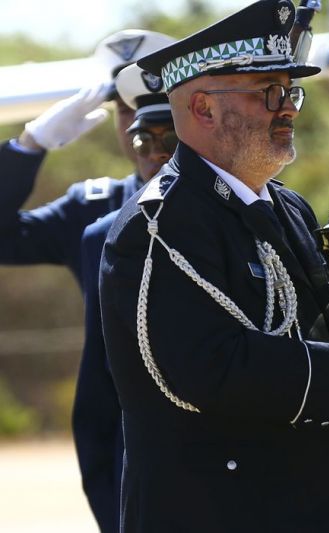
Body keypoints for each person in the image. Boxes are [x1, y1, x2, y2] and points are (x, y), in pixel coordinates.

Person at [99, 2, 329, 531]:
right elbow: (204, 369)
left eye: (291, 92)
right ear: (203, 109)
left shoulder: (288, 207)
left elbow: (324, 329)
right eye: (268, 93)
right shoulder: (157, 226)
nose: (288, 109)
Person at [0, 29, 174, 531]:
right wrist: (29, 147)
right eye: (125, 109)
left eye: (158, 110)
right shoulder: (93, 207)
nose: (139, 124)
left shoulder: (243, 198)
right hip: (126, 431)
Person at [76, 60, 178, 533]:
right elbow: (98, 391)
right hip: (147, 477)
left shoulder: (264, 211)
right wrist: (28, 147)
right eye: (142, 141)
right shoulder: (102, 234)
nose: (155, 154)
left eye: (170, 139)